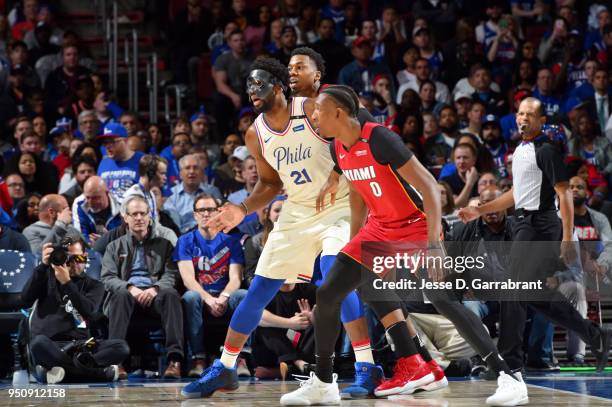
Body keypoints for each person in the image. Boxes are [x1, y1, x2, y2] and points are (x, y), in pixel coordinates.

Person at [280, 85, 530, 406]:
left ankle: (508, 376)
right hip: (378, 229)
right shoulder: (336, 148)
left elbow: (427, 184)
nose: (312, 117)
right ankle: (326, 382)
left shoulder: (380, 139)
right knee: (332, 291)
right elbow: (359, 193)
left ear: (339, 113)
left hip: (415, 226)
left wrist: (433, 244)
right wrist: (356, 242)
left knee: (443, 300)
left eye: (317, 111)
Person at [181, 58, 391, 400]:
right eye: (248, 86)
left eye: (259, 84)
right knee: (258, 290)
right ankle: (226, 367)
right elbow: (268, 182)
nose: (252, 91)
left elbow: (354, 133)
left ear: (279, 86)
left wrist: (338, 174)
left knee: (333, 274)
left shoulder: (311, 109)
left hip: (337, 206)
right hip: (295, 211)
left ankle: (367, 366)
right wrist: (243, 208)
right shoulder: (255, 133)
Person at [458, 97, 612, 375]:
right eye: (519, 113)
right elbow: (516, 194)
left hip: (540, 224)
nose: (523, 118)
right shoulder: (521, 151)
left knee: (512, 290)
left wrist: (566, 237)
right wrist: (480, 211)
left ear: (542, 121)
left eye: (530, 114)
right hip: (523, 223)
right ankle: (595, 335)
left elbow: (563, 193)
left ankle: (509, 362)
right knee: (536, 294)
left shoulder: (547, 151)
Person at [22, 238, 129, 384]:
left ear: (85, 257)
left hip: (84, 346)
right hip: (52, 345)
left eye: (77, 258)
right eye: (67, 258)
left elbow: (88, 311)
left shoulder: (95, 285)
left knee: (121, 347)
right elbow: (25, 299)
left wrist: (67, 283)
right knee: (37, 343)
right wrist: (42, 267)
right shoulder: (45, 277)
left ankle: (61, 373)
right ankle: (97, 374)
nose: (72, 264)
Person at [101, 195, 184, 379]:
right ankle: (117, 363)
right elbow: (108, 277)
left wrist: (155, 289)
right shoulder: (114, 246)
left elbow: (172, 273)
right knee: (121, 295)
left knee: (171, 294)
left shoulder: (165, 244)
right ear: (126, 218)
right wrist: (130, 288)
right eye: (134, 214)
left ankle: (174, 362)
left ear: (149, 216)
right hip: (128, 297)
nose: (139, 218)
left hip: (155, 296)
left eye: (142, 213)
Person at [175, 193, 248, 377]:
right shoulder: (185, 241)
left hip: (225, 294)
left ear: (219, 212)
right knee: (190, 297)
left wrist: (223, 297)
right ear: (194, 215)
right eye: (201, 210)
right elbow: (188, 279)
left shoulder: (232, 241)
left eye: (210, 209)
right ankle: (197, 359)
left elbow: (235, 278)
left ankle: (241, 358)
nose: (206, 214)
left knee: (243, 295)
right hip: (201, 295)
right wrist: (208, 299)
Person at [164, 154, 222, 233]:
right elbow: (173, 225)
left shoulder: (213, 191)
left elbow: (218, 219)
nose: (192, 171)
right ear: (180, 174)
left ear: (202, 172)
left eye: (195, 168)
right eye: (187, 168)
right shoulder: (171, 194)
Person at [97, 122, 144, 204]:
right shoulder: (104, 163)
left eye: (112, 142)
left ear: (125, 141)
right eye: (105, 143)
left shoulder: (142, 160)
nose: (107, 146)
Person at [72, 176, 122, 245]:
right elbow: (81, 237)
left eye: (95, 198)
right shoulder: (79, 204)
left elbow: (125, 239)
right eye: (87, 197)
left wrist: (105, 242)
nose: (90, 202)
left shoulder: (121, 205)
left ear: (107, 193)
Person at [123, 155, 168, 220]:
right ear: (150, 174)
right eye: (162, 173)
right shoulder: (132, 196)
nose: (165, 178)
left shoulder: (151, 194)